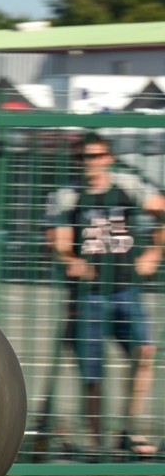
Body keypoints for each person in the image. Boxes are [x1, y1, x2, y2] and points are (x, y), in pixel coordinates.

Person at [45, 135, 165, 459]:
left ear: (109, 158)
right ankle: (98, 446)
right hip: (89, 295)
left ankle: (130, 429)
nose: (91, 162)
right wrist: (71, 261)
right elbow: (58, 243)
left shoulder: (127, 185)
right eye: (85, 157)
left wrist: (155, 251)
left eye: (97, 156)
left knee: (145, 353)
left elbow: (161, 211)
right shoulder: (66, 196)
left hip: (126, 288)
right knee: (92, 373)